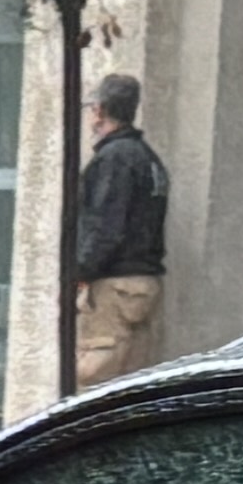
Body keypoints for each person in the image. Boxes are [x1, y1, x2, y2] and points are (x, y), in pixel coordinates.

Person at [69, 73, 168, 391]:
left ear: (99, 110)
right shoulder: (148, 158)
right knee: (131, 387)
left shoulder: (114, 159)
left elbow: (105, 226)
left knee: (95, 382)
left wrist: (79, 273)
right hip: (142, 285)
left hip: (114, 287)